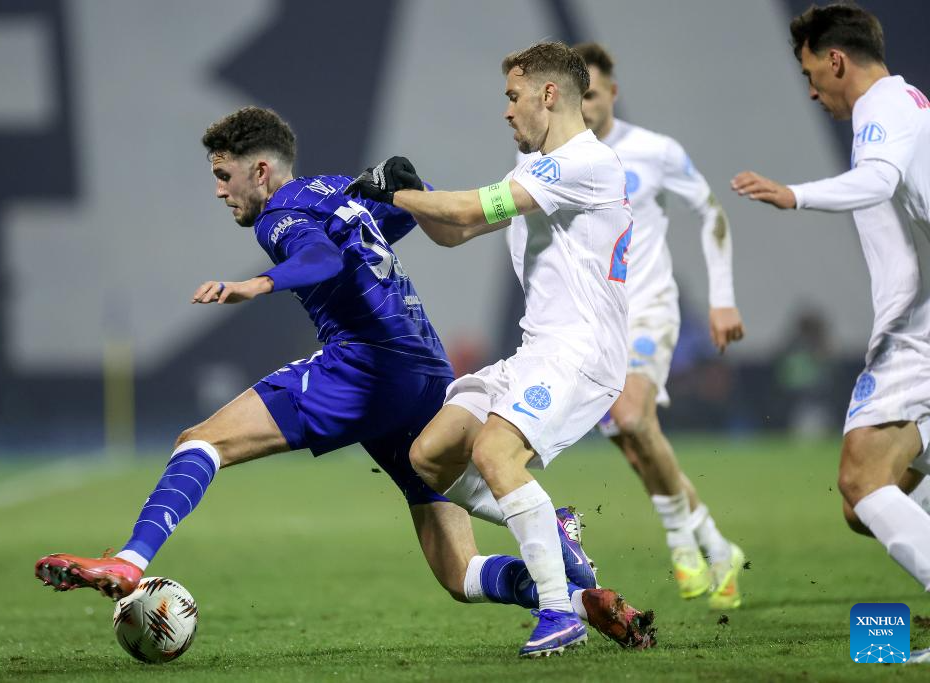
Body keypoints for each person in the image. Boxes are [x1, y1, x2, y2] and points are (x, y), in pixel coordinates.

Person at [33, 106, 651, 650]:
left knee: (201, 441)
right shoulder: (337, 191)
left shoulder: (279, 215)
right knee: (459, 573)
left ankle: (130, 560)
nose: (219, 190)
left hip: (365, 367)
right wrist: (423, 198)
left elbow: (322, 257)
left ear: (261, 171)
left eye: (224, 175)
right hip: (424, 372)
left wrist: (259, 283)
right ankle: (574, 594)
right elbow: (408, 222)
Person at [350, 41, 644, 657]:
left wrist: (395, 195)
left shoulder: (586, 162)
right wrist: (412, 192)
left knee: (493, 451)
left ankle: (559, 612)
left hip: (581, 353)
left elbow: (471, 205)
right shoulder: (536, 171)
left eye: (513, 96)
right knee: (430, 456)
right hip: (538, 351)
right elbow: (456, 229)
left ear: (548, 94)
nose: (507, 111)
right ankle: (553, 533)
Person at [732, 4, 930, 608]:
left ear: (835, 60)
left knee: (860, 480)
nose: (812, 91)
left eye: (809, 72)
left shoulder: (881, 108)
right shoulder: (911, 104)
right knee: (866, 500)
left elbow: (877, 180)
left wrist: (794, 195)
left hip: (918, 333)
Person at [573, 43, 747, 609]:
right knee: (635, 444)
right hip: (595, 322)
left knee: (630, 415)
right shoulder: (559, 163)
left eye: (591, 94)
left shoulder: (654, 150)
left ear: (613, 93)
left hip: (648, 309)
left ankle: (679, 543)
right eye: (574, 96)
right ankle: (717, 546)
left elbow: (710, 210)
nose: (584, 105)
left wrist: (722, 299)